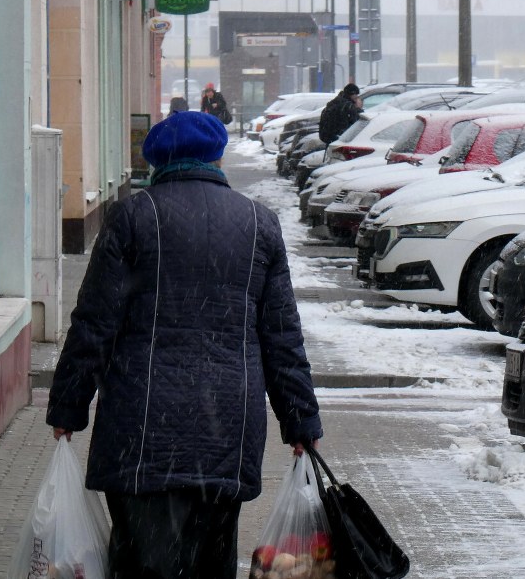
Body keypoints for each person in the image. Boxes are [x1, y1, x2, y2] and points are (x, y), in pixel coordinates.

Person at [47, 111, 323, 579]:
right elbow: (282, 336)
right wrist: (300, 420)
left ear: (155, 161)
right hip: (226, 430)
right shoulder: (259, 223)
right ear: (216, 157)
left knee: (142, 561)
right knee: (211, 561)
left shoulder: (133, 217)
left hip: (141, 426)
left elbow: (94, 322)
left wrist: (68, 406)